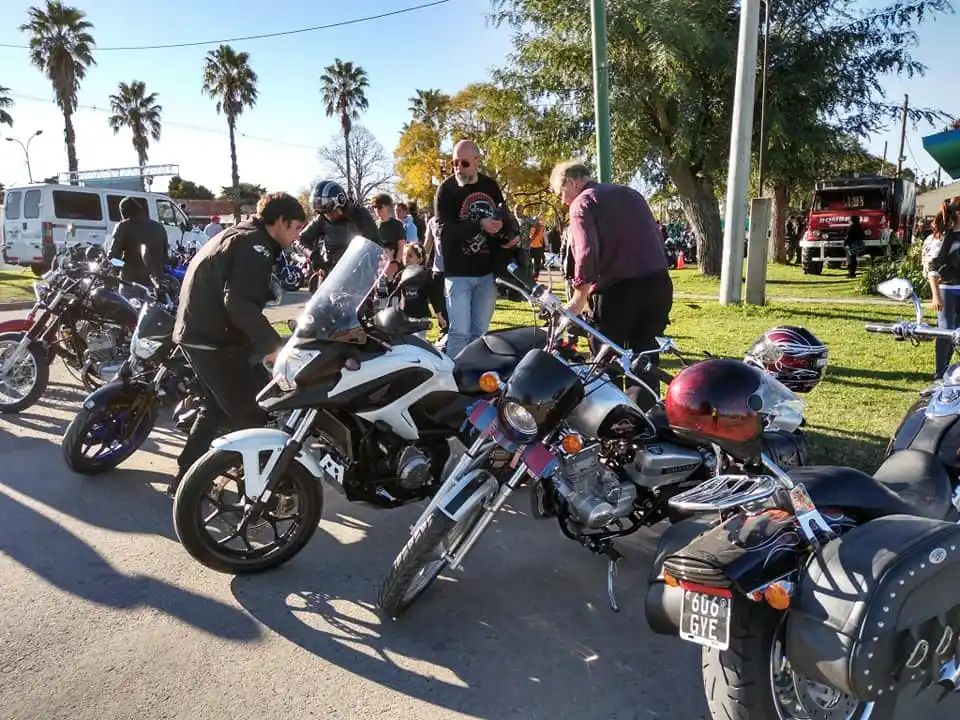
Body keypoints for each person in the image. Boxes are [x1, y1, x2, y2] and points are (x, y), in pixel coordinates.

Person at [168, 192, 306, 496]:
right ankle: (266, 490)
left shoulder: (239, 234)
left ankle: (185, 480)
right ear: (281, 222)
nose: (297, 235)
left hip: (197, 333)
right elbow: (239, 304)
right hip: (214, 339)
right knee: (254, 415)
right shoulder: (255, 245)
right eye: (296, 227)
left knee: (215, 409)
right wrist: (273, 346)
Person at [551, 159, 673, 393]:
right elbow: (656, 237)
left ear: (570, 182)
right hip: (658, 284)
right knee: (645, 358)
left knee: (607, 360)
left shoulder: (581, 203)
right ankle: (644, 415)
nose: (562, 200)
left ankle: (614, 420)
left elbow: (586, 251)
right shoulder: (631, 194)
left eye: (560, 193)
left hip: (618, 291)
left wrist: (578, 298)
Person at [435, 139, 519, 358]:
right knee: (459, 333)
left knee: (480, 334)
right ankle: (453, 381)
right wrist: (479, 224)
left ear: (477, 161)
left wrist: (509, 236)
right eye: (454, 163)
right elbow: (444, 231)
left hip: (487, 272)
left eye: (464, 163)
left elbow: (504, 216)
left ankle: (474, 382)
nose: (458, 169)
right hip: (458, 273)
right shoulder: (446, 190)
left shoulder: (490, 186)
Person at [299, 180, 380, 274]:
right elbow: (301, 239)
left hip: (359, 274)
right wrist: (312, 254)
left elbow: (376, 243)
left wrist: (374, 264)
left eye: (329, 211)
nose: (327, 215)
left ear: (341, 202)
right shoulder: (322, 219)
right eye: (324, 213)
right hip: (331, 274)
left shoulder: (360, 215)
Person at [928, 198, 960, 380]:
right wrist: (935, 295)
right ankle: (940, 372)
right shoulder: (944, 237)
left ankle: (950, 371)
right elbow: (933, 267)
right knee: (946, 330)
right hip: (948, 288)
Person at [109, 196, 168, 289]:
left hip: (131, 282)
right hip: (155, 283)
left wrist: (121, 267)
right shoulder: (159, 227)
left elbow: (113, 257)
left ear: (123, 212)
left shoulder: (123, 226)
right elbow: (165, 258)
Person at [398, 243, 445, 337]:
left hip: (420, 318)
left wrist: (439, 315)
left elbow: (434, 295)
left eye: (410, 256)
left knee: (418, 340)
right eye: (404, 255)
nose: (406, 258)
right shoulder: (401, 274)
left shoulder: (425, 275)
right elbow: (395, 292)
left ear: (420, 259)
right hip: (405, 316)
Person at [422, 209, 448, 327]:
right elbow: (427, 245)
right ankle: (443, 330)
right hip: (439, 270)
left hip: (457, 271)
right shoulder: (432, 222)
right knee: (440, 305)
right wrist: (420, 264)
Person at [372, 193, 406, 261]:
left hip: (393, 264)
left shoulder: (397, 225)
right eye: (374, 207)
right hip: (379, 264)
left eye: (379, 207)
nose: (376, 209)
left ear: (387, 206)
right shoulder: (373, 225)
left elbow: (401, 248)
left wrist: (396, 264)